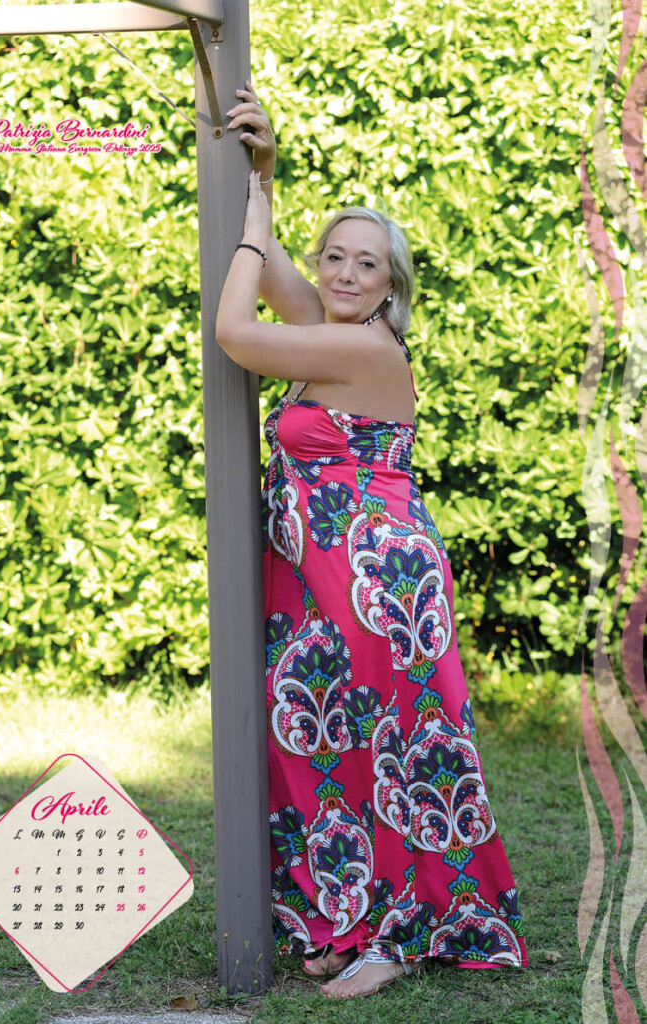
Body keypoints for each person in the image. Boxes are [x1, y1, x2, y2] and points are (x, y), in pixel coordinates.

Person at [216, 81, 528, 1000]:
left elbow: (234, 328)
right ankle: (344, 916)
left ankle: (406, 932)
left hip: (382, 583)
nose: (346, 275)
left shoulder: (364, 349)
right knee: (314, 743)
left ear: (393, 287)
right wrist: (263, 176)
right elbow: (279, 277)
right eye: (335, 259)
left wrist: (247, 239)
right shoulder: (331, 328)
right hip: (321, 585)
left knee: (404, 752)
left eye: (368, 265)